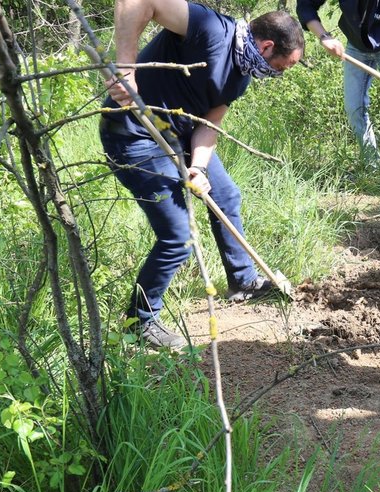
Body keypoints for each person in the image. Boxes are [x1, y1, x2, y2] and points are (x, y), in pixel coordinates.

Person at [101, 0, 304, 350]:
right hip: (134, 136)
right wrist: (125, 68)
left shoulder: (241, 75)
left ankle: (243, 281)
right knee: (178, 236)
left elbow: (209, 126)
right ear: (266, 46)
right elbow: (139, 2)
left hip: (179, 136)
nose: (279, 75)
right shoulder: (212, 30)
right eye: (281, 67)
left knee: (226, 196)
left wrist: (199, 166)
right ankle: (140, 320)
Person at [296, 0, 380, 205]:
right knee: (354, 108)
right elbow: (306, 4)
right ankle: (373, 167)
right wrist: (324, 37)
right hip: (356, 45)